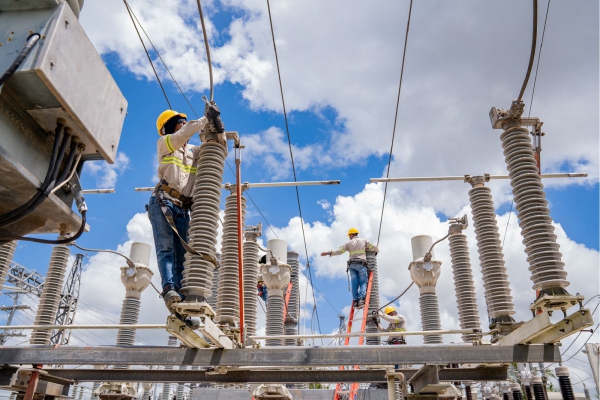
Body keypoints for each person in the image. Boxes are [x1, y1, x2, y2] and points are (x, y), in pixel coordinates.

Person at [148, 104, 222, 312]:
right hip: (164, 202)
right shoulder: (165, 143)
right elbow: (187, 131)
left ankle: (181, 294)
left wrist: (217, 131)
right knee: (166, 248)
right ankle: (170, 289)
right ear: (170, 127)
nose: (184, 127)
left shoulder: (193, 152)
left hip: (183, 207)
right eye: (179, 123)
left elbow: (213, 150)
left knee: (183, 253)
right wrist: (205, 120)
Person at [320, 228, 379, 308]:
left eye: (349, 235)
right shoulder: (364, 241)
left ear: (351, 234)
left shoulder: (348, 243)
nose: (349, 237)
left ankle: (355, 301)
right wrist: (375, 251)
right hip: (361, 264)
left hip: (351, 265)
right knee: (362, 282)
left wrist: (328, 253)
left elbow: (339, 251)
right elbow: (374, 247)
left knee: (354, 284)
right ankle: (361, 299)